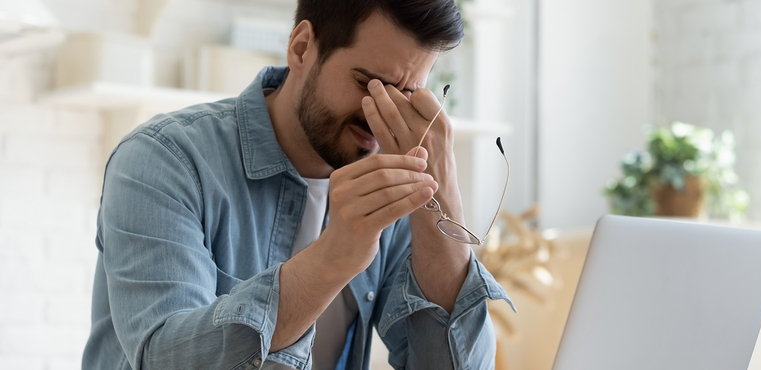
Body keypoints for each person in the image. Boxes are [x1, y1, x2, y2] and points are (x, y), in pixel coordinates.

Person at [82, 0, 513, 369]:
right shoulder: (164, 161)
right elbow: (166, 361)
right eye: (369, 84)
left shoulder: (394, 188)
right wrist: (334, 257)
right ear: (302, 47)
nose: (382, 114)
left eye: (408, 94)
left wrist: (444, 197)